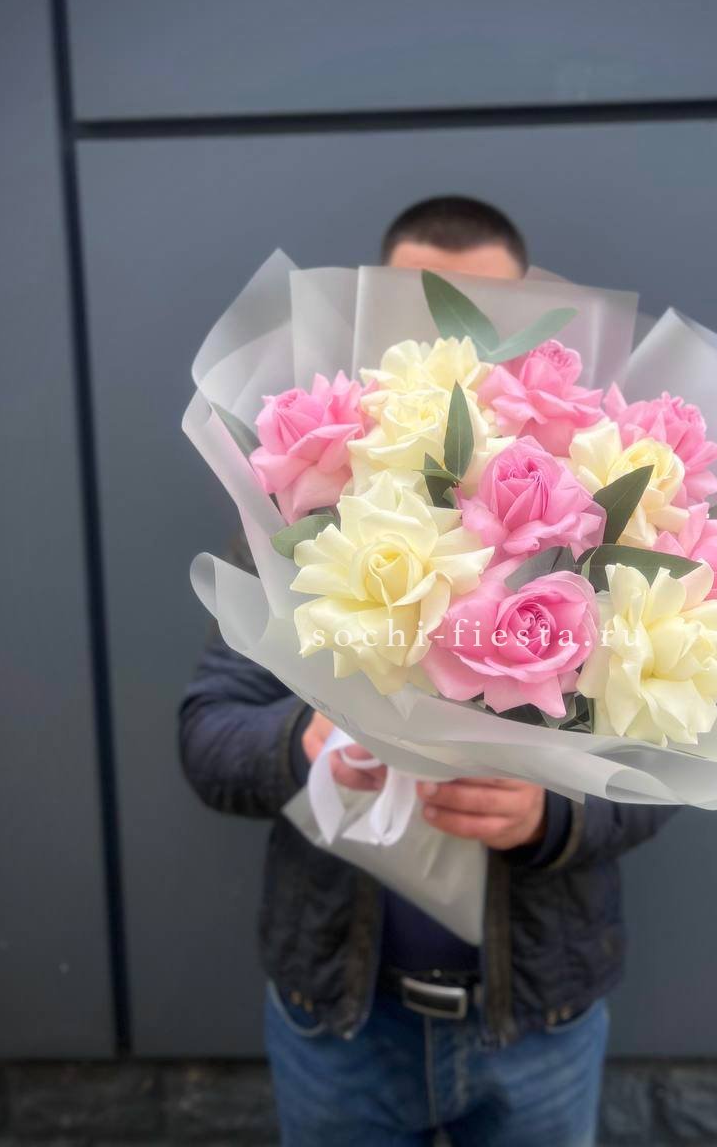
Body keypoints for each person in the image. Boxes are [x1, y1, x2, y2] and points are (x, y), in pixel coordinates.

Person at [179, 195, 679, 1147]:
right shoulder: (301, 514)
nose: (458, 339)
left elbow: (672, 759)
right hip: (340, 1020)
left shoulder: (607, 518)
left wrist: (552, 815)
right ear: (377, 322)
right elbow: (207, 731)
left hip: (538, 1023)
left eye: (484, 314)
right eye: (422, 309)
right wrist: (305, 743)